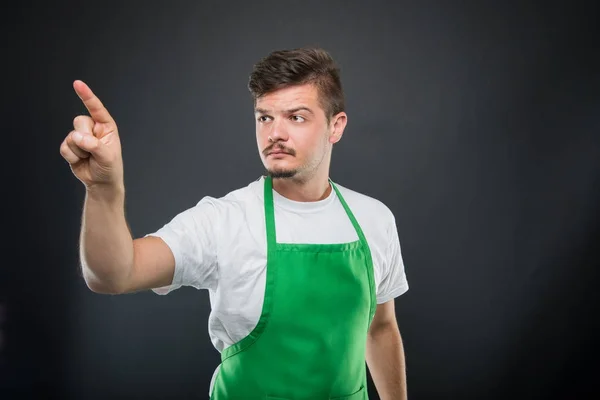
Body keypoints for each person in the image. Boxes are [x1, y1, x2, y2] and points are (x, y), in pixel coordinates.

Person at [60, 47, 409, 400]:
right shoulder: (224, 220)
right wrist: (103, 188)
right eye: (264, 118)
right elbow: (114, 274)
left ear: (336, 126)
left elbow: (380, 329)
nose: (275, 133)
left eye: (296, 117)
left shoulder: (374, 219)